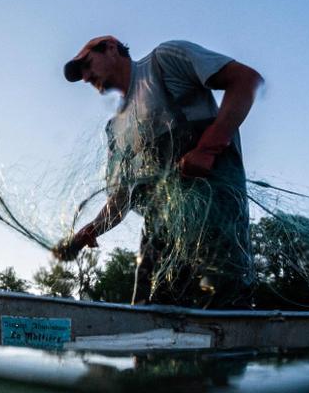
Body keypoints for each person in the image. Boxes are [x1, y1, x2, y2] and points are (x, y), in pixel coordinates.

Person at [54, 36, 263, 308]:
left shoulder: (164, 61)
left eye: (86, 64)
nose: (84, 77)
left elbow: (246, 80)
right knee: (147, 315)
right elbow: (120, 199)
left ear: (112, 47)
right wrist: (86, 234)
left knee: (223, 309)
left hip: (216, 224)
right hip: (160, 236)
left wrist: (207, 149)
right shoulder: (114, 128)